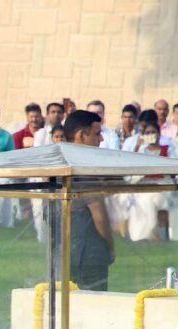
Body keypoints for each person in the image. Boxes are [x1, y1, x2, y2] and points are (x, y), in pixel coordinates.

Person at [63, 110, 114, 290]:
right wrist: (110, 246)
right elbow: (99, 215)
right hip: (89, 255)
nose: (100, 139)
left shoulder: (57, 165)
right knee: (93, 309)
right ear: (80, 134)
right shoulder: (84, 168)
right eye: (96, 133)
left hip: (60, 252)